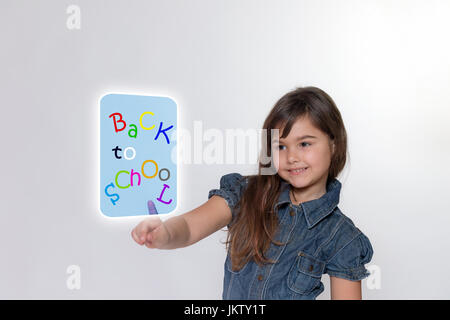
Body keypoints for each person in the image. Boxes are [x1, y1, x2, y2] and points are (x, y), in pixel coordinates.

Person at [131, 86, 374, 300]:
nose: (291, 157)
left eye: (304, 144)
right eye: (280, 146)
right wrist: (164, 234)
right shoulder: (246, 193)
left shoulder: (342, 237)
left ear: (333, 144)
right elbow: (189, 226)